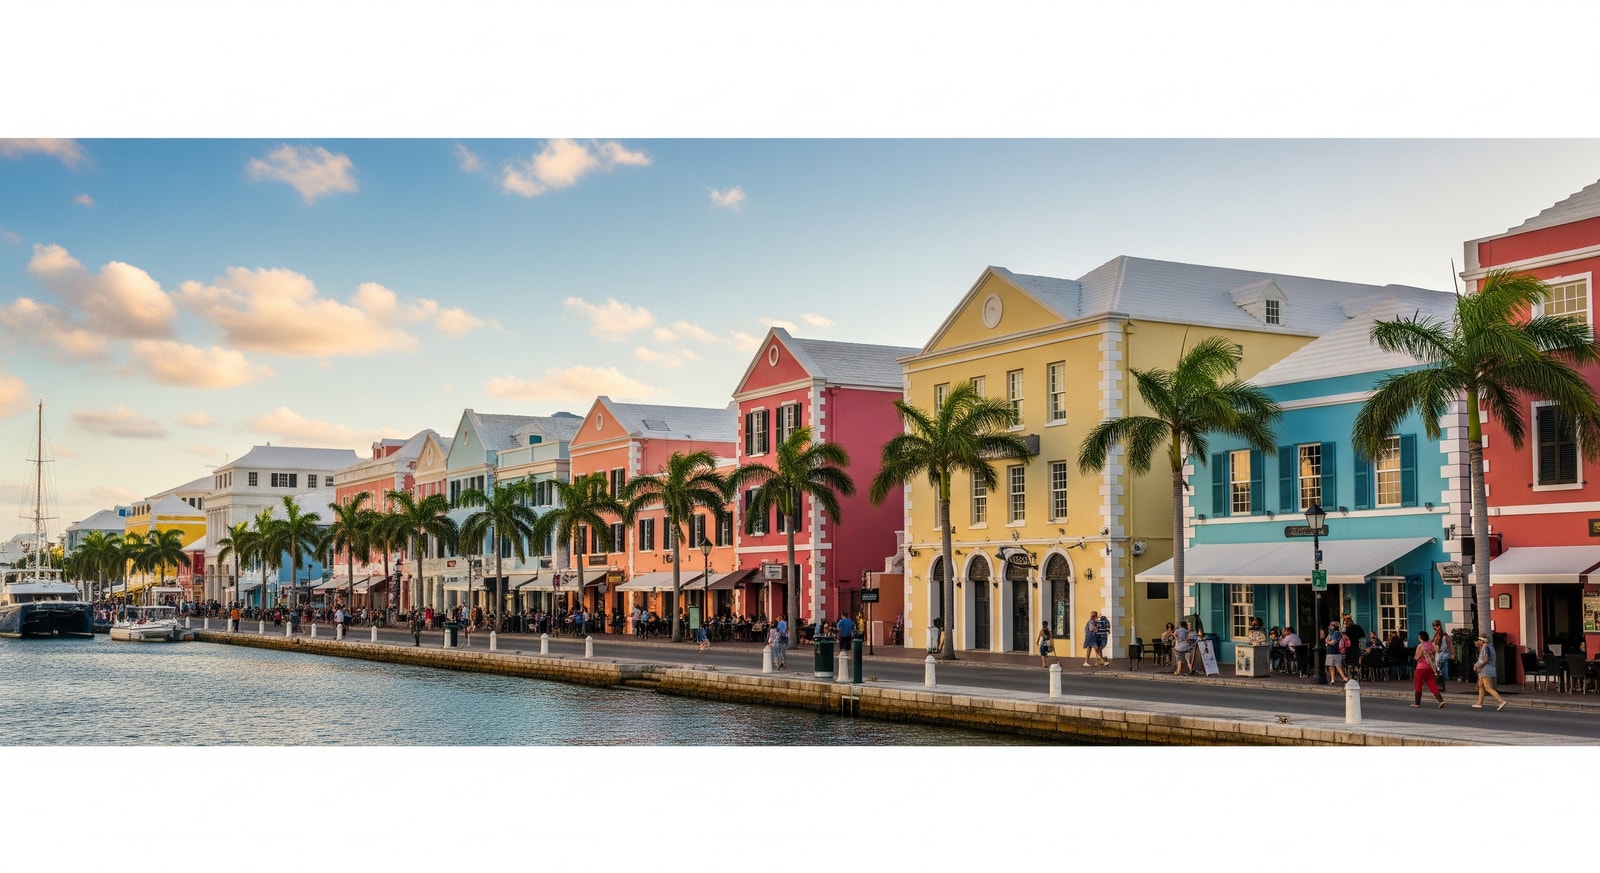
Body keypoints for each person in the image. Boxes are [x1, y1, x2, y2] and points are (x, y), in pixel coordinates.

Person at [1471, 634, 1507, 711]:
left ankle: (1501, 701)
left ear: (1483, 641)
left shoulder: (1486, 648)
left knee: (1488, 687)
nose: (1478, 642)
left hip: (1486, 670)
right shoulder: (1489, 647)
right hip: (1485, 670)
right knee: (1480, 685)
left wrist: (1477, 666)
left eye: (1480, 640)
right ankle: (1479, 703)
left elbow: (1485, 659)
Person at [1410, 629, 1445, 708]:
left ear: (1420, 637)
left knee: (1418, 685)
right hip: (1430, 667)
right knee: (1432, 684)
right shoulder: (1431, 645)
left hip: (1421, 668)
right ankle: (1440, 700)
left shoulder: (1420, 646)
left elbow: (1417, 657)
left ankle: (1417, 703)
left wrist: (1421, 654)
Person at [1431, 620, 1451, 687]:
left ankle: (1441, 686)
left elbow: (1447, 645)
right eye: (1433, 627)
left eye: (1435, 627)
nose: (1434, 629)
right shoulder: (1435, 635)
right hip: (1437, 654)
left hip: (1442, 654)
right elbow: (1432, 642)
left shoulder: (1444, 635)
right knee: (1438, 670)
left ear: (1439, 626)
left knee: (1439, 670)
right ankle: (1439, 685)